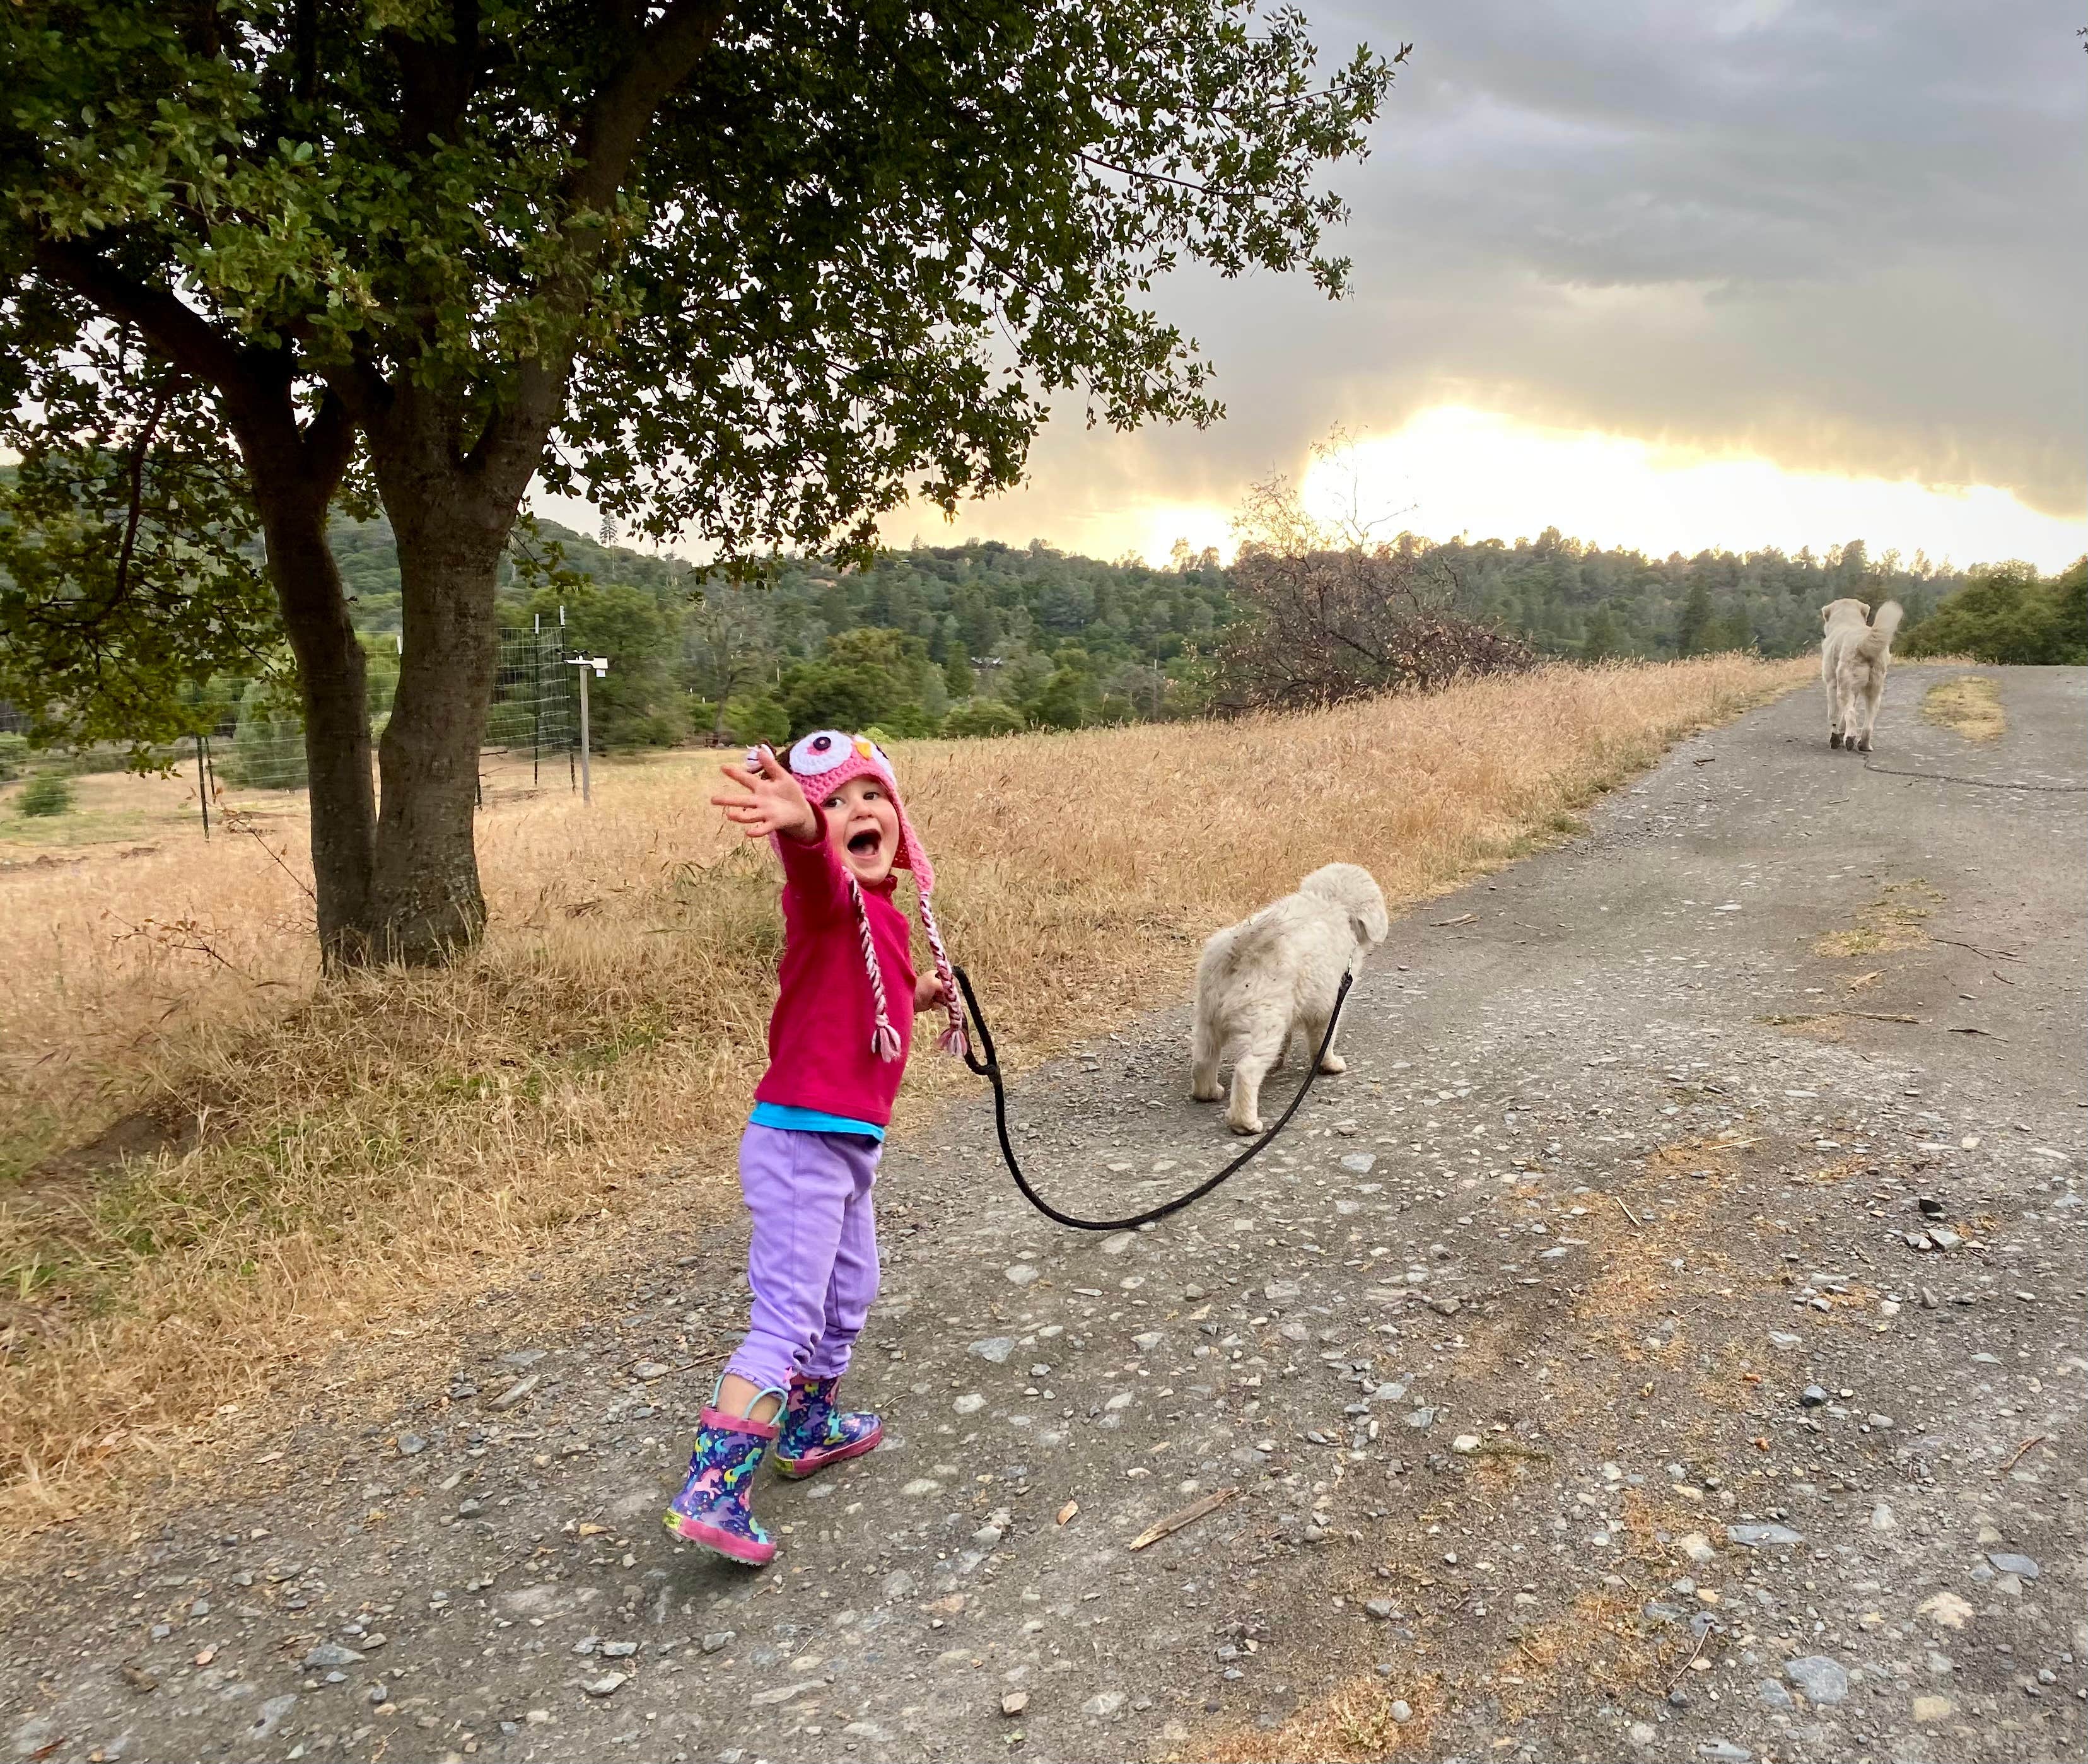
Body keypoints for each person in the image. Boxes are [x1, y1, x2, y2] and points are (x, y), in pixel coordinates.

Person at [663, 730, 965, 1563]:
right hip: (799, 1143)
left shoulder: (883, 914)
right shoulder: (829, 896)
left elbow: (873, 986)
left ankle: (808, 1423)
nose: (856, 811)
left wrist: (925, 991)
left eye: (871, 795)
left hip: (846, 1150)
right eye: (835, 801)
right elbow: (816, 873)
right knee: (788, 1316)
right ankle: (713, 1489)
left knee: (851, 1290)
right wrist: (801, 830)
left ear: (899, 818)